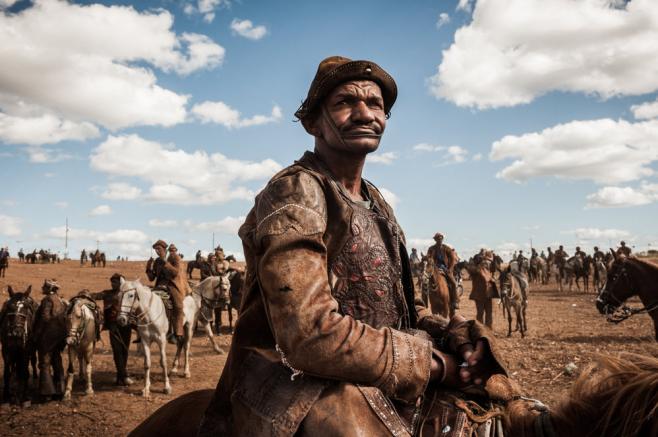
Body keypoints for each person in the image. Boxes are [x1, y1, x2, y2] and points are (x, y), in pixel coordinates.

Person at [198, 55, 507, 436]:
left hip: (378, 371)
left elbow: (401, 309)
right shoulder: (296, 193)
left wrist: (452, 339)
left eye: (375, 104)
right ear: (313, 122)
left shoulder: (376, 202)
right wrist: (437, 364)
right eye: (345, 102)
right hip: (297, 382)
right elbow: (309, 334)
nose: (365, 114)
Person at [91, 273, 133, 386]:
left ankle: (120, 378)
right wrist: (86, 294)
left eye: (116, 282)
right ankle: (124, 375)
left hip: (126, 326)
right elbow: (95, 295)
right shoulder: (107, 293)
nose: (113, 284)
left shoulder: (127, 294)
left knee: (124, 351)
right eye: (112, 282)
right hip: (114, 326)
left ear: (121, 283)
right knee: (117, 351)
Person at [145, 240, 190, 343]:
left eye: (159, 249)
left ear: (164, 249)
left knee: (178, 306)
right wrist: (148, 267)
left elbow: (175, 272)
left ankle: (177, 333)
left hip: (171, 286)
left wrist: (165, 262)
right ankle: (144, 330)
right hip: (159, 286)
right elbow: (152, 278)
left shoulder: (174, 258)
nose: (157, 251)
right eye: (156, 249)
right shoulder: (157, 261)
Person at [33, 279, 67, 401]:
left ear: (50, 289)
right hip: (60, 336)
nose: (43, 288)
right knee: (57, 360)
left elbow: (45, 318)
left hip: (48, 336)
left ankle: (47, 393)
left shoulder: (47, 300)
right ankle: (60, 390)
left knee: (45, 362)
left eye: (45, 287)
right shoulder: (59, 299)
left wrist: (37, 334)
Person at [426, 232, 459, 310]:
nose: (439, 240)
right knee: (424, 283)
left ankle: (455, 301)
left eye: (440, 238)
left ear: (442, 239)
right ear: (435, 240)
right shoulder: (431, 249)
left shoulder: (446, 248)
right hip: (434, 269)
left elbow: (452, 259)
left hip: (445, 269)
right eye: (437, 238)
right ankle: (424, 302)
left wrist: (450, 269)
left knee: (453, 283)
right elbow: (428, 258)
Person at [469, 251, 499, 328]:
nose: (487, 263)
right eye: (485, 262)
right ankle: (480, 330)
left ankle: (489, 330)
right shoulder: (475, 269)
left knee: (489, 313)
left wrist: (493, 259)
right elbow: (472, 270)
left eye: (487, 262)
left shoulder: (488, 270)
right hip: (479, 296)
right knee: (480, 313)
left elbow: (494, 268)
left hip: (488, 294)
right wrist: (480, 265)